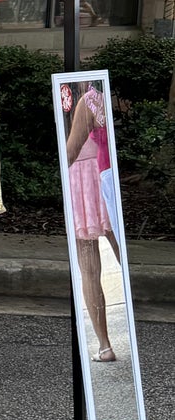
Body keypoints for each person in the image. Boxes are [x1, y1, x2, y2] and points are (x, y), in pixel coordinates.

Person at [64, 85, 121, 362]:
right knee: (116, 250)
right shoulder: (101, 97)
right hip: (100, 175)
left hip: (88, 179)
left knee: (89, 269)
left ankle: (105, 346)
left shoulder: (89, 99)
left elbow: (71, 151)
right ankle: (105, 346)